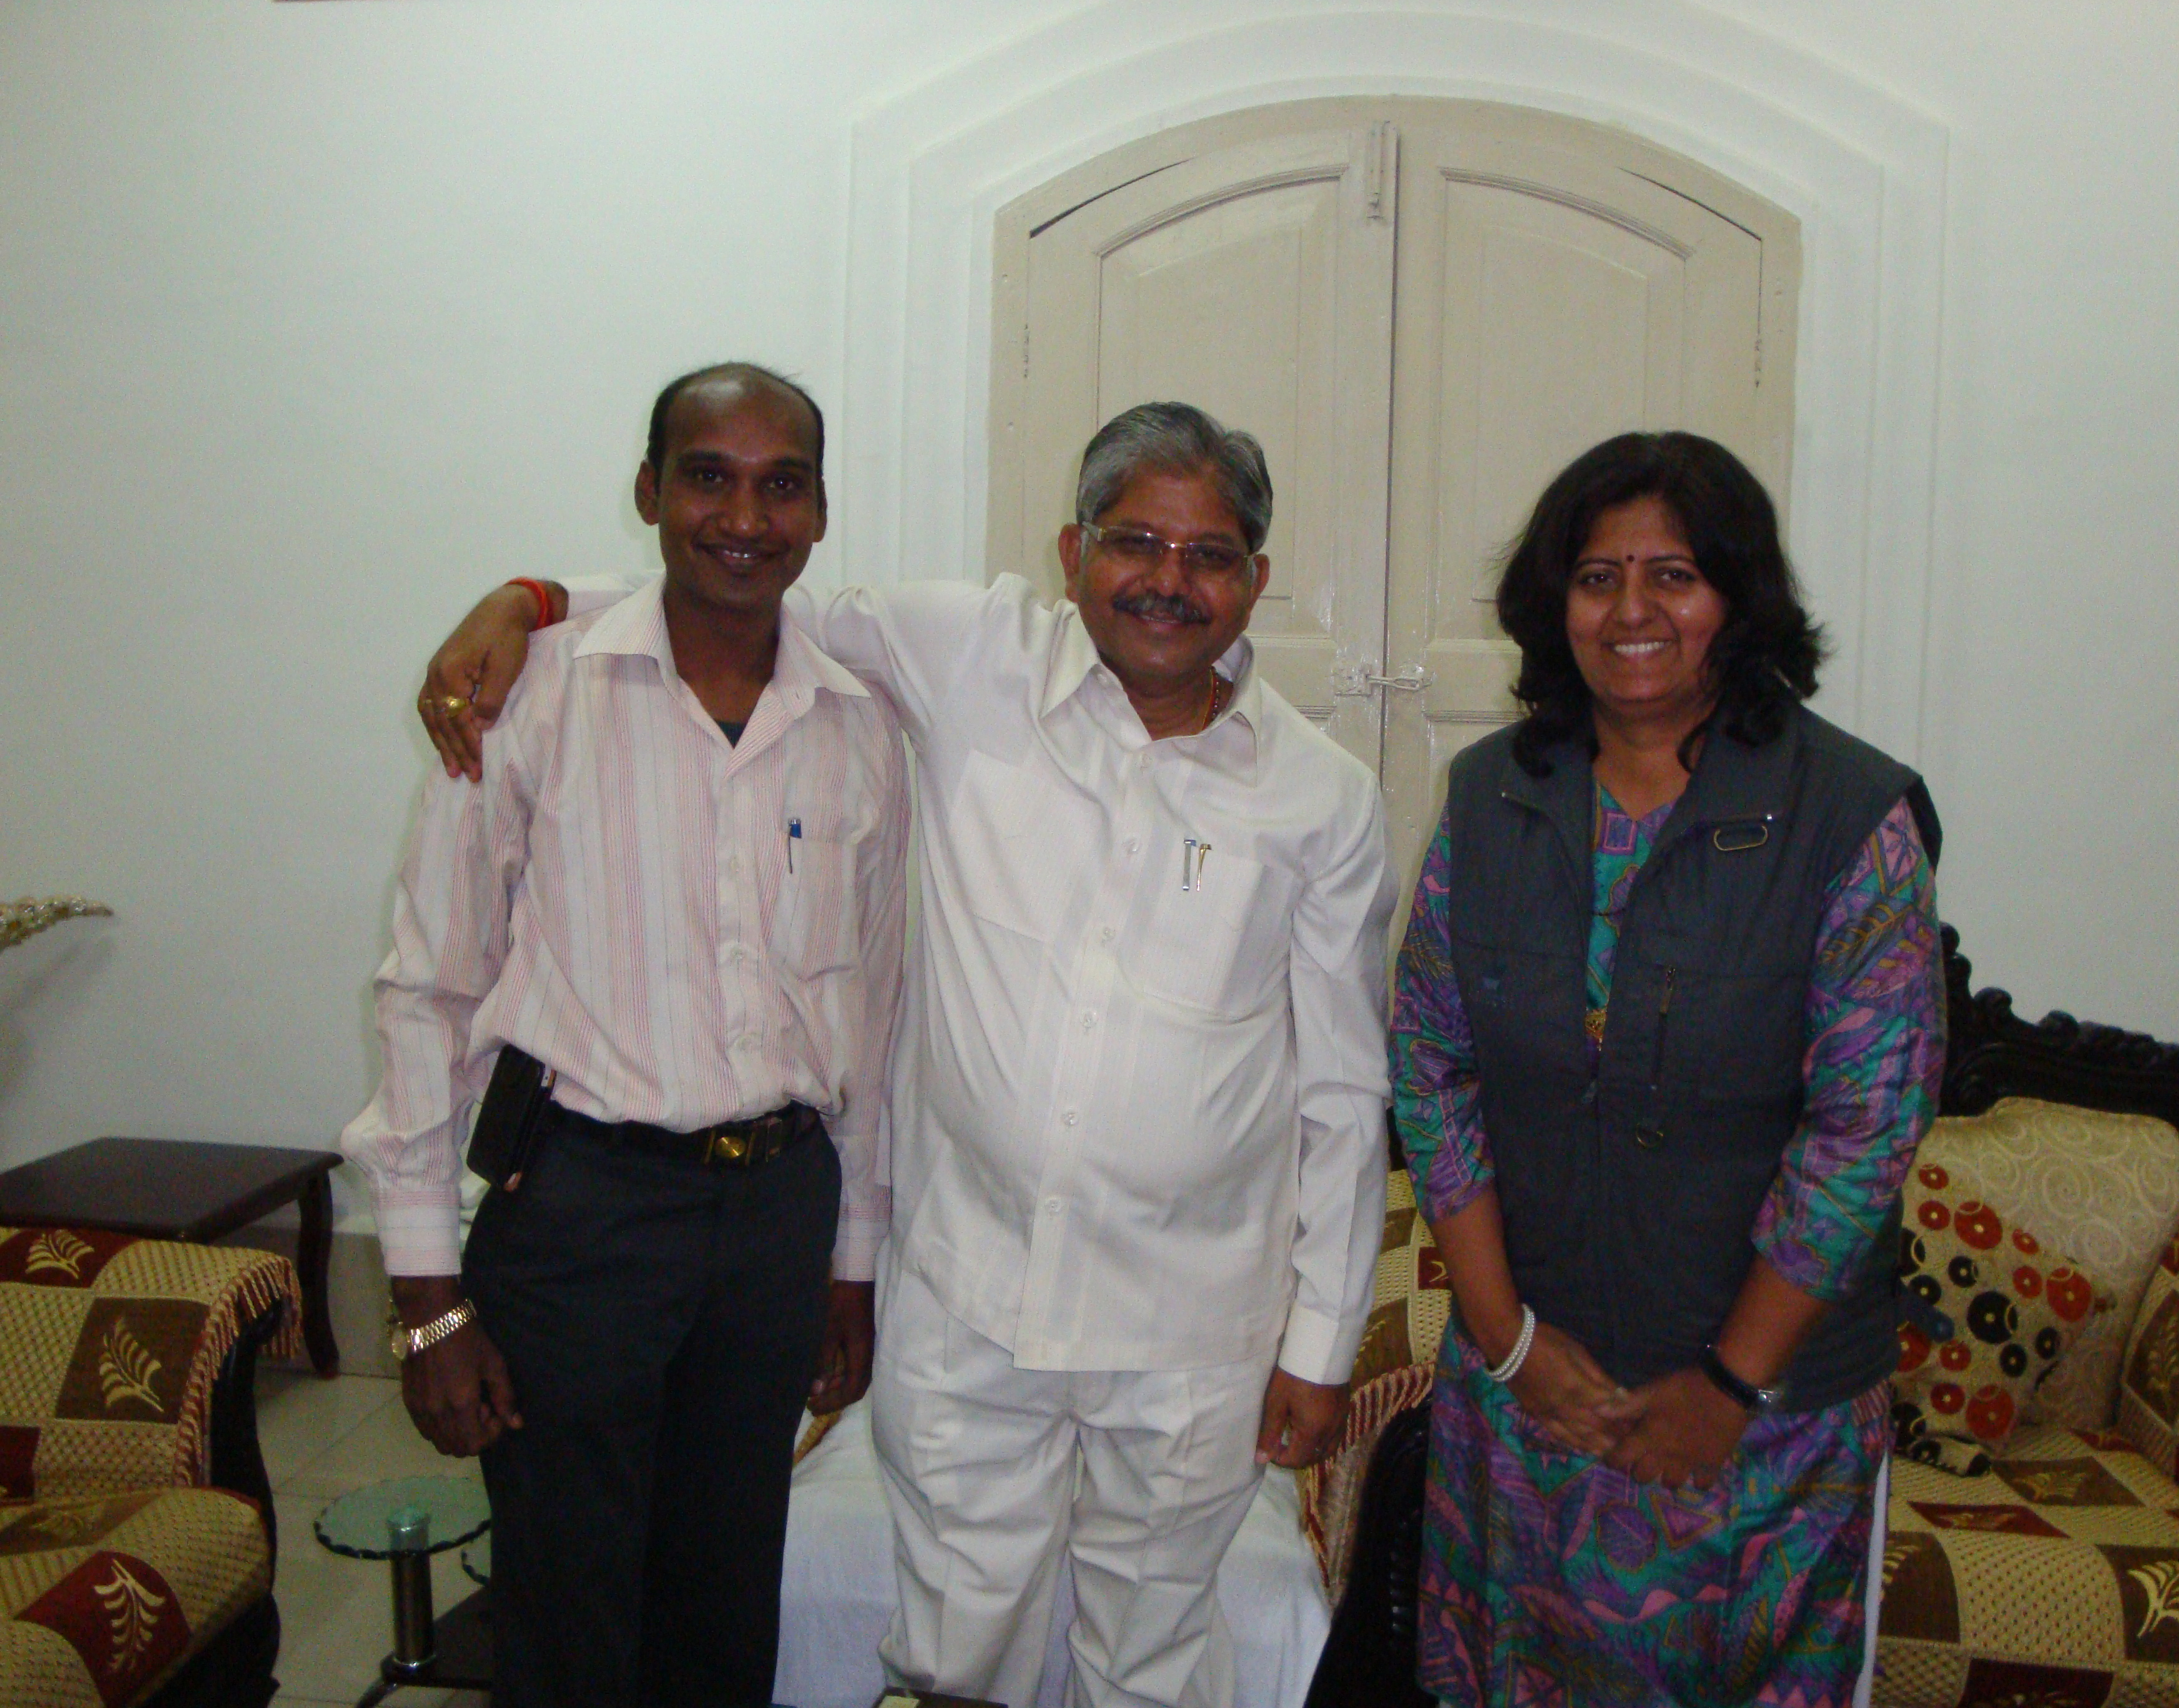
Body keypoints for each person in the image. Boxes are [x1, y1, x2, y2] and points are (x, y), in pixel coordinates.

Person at [418, 400, 1395, 1708]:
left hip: (1190, 1324)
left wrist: (1321, 1345)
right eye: (1135, 542)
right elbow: (736, 588)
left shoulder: (1322, 797)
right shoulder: (970, 653)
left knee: (1154, 1659)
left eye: (1209, 555)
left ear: (1256, 580)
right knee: (955, 1652)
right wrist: (531, 603)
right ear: (1072, 551)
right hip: (970, 1300)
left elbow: (1344, 1089)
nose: (1169, 581)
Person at [342, 363, 910, 1707]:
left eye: (783, 485)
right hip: (580, 1215)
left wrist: (851, 1261)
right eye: (708, 476)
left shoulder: (860, 725)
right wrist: (426, 1301)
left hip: (776, 1217)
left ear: (822, 513)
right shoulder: (530, 694)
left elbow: (873, 1019)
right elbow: (427, 992)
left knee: (724, 1603)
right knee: (567, 1610)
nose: (745, 518)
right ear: (649, 492)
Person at [1389, 431, 1945, 1707]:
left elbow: (1865, 1129)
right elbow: (1431, 1066)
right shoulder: (1490, 797)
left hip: (1763, 1430)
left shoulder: (1849, 815)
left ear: (1738, 599)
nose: (1631, 610)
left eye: (1674, 575)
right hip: (1527, 1406)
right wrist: (1505, 1339)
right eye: (1597, 578)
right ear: (1556, 605)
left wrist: (1730, 1384)